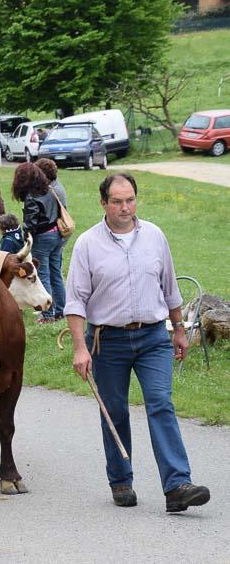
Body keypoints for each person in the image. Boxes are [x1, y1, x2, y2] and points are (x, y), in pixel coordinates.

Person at [65, 173, 209, 513]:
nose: (125, 207)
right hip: (107, 341)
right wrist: (79, 348)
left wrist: (178, 329)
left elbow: (170, 288)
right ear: (104, 203)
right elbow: (75, 302)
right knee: (114, 411)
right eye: (117, 201)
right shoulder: (87, 244)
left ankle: (177, 485)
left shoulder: (154, 236)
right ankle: (121, 480)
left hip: (152, 337)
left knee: (160, 402)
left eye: (129, 200)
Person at [11, 161, 63, 323]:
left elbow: (31, 223)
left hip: (43, 237)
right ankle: (61, 310)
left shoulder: (31, 197)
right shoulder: (49, 189)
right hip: (57, 235)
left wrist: (23, 231)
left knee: (43, 275)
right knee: (56, 274)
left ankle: (48, 315)